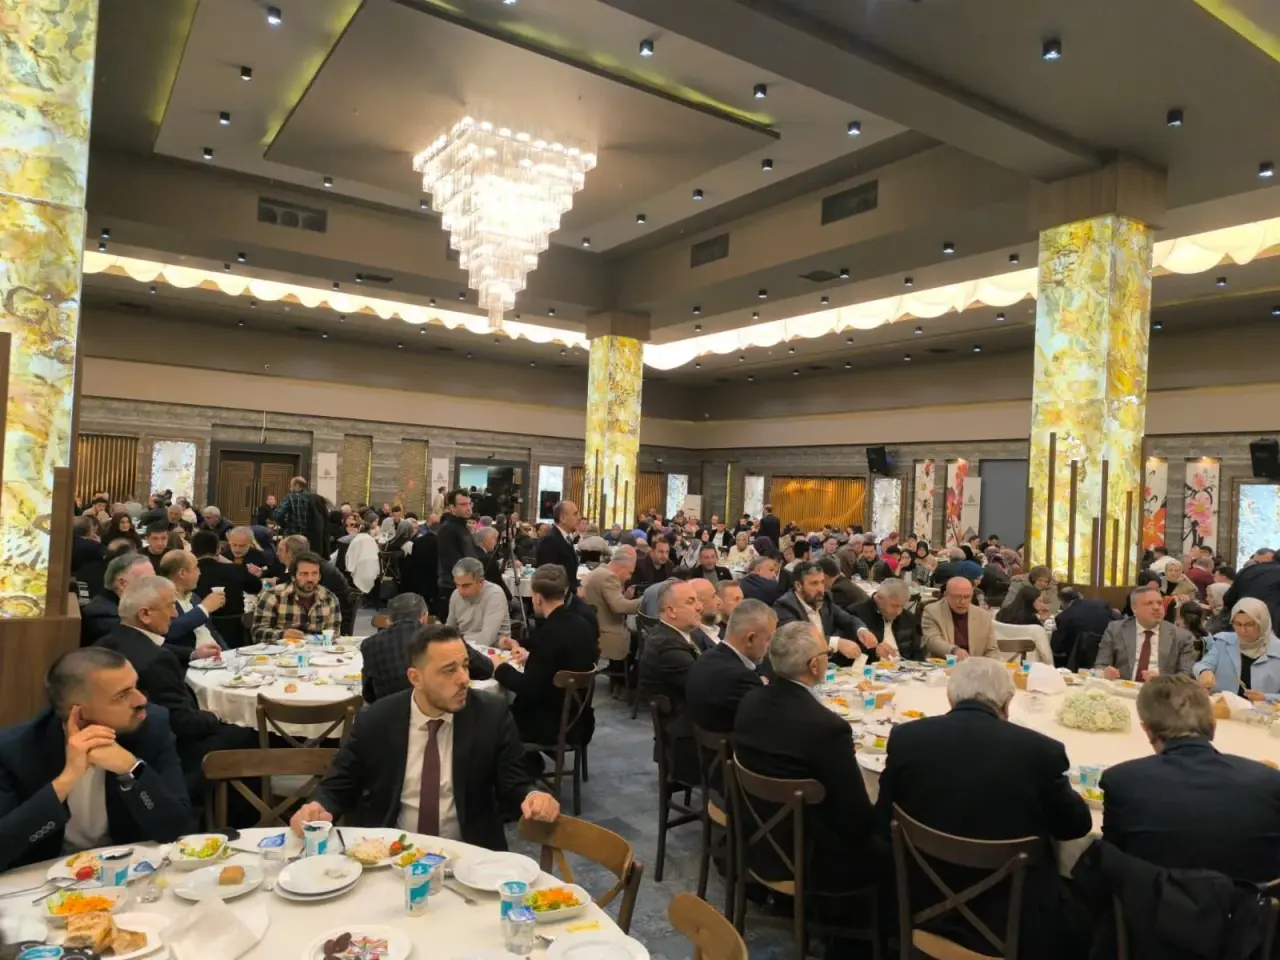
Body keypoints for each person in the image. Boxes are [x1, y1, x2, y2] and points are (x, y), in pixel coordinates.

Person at [876, 658, 1091, 959]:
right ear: (1007, 703)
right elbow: (1076, 826)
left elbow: (882, 820)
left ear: (950, 697)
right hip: (1014, 917)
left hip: (921, 899)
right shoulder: (1040, 752)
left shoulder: (907, 738)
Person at [289, 624, 561, 851]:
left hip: (467, 855)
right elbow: (339, 784)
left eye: (465, 666)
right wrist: (318, 806)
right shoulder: (377, 719)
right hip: (390, 853)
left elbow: (514, 784)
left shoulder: (490, 714)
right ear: (415, 678)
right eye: (449, 670)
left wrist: (533, 796)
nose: (463, 679)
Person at [734, 621, 888, 900]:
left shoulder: (750, 701)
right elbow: (856, 819)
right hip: (811, 856)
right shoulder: (827, 728)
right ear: (815, 665)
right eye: (826, 655)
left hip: (756, 834)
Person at [0, 647, 192, 871]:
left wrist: (131, 768)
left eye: (136, 686)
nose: (141, 699)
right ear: (80, 714)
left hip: (130, 868)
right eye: (122, 696)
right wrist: (67, 779)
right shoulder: (15, 750)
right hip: (45, 876)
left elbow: (176, 829)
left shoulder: (151, 727)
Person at [1100, 675, 1280, 883]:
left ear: (1147, 730)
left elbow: (1111, 864)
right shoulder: (1270, 783)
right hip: (1246, 902)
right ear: (1213, 726)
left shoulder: (1122, 782)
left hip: (1149, 901)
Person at [94, 577, 258, 794]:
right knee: (247, 732)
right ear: (144, 614)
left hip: (122, 744)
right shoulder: (157, 659)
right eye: (171, 606)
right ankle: (244, 808)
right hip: (164, 752)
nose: (174, 614)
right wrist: (215, 715)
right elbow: (183, 723)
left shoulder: (104, 644)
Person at [495, 566, 597, 746]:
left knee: (490, 716)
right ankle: (528, 759)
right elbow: (563, 660)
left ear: (537, 597)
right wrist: (528, 654)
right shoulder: (583, 623)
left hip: (550, 725)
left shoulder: (549, 634)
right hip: (580, 719)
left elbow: (528, 687)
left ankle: (520, 761)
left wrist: (499, 667)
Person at [362, 593, 492, 703]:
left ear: (389, 621)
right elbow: (485, 670)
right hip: (441, 710)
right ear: (425, 617)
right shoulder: (443, 636)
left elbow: (369, 695)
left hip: (389, 718)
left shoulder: (369, 645)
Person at [639, 580, 705, 785]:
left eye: (698, 600)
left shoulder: (678, 635)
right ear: (671, 611)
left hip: (689, 722)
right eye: (691, 601)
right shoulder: (667, 645)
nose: (699, 606)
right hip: (686, 739)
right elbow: (704, 685)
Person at [686, 600, 776, 735]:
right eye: (768, 639)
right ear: (750, 639)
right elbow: (770, 721)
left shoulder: (705, 658)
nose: (769, 646)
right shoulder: (741, 678)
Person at [773, 561, 881, 663]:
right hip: (801, 666)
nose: (820, 589)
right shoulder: (784, 606)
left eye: (822, 582)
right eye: (814, 583)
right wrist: (837, 643)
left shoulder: (825, 599)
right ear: (798, 586)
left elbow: (848, 619)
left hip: (829, 664)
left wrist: (861, 630)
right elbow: (799, 639)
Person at [1096, 586, 1197, 680]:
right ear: (1134, 608)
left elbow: (1186, 675)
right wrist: (1105, 672)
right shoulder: (1115, 629)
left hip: (1161, 690)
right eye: (1149, 603)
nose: (1156, 607)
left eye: (1160, 603)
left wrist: (1161, 680)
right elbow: (1101, 665)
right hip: (1123, 687)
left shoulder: (1182, 636)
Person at [1194, 597, 1280, 701]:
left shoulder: (1277, 650)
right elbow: (1203, 664)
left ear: (1262, 624)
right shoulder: (1224, 642)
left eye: (1249, 624)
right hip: (1224, 707)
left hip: (1264, 710)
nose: (1242, 630)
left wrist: (1266, 697)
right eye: (1238, 624)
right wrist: (1204, 671)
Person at [188, 530, 260, 649]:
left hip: (199, 632)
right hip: (235, 632)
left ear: (192, 551)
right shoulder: (235, 569)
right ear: (218, 550)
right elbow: (256, 587)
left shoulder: (188, 574)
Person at [251, 550, 342, 642]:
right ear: (293, 577)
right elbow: (257, 633)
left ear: (319, 577)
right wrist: (282, 634)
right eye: (304, 574)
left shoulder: (329, 599)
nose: (310, 579)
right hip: (282, 649)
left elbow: (334, 635)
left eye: (314, 573)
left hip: (317, 649)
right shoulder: (273, 596)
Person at [276, 534, 356, 635]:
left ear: (289, 553)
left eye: (280, 550)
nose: (277, 553)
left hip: (331, 623)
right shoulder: (310, 566)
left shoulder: (318, 571)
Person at [156, 550, 225, 662]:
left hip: (218, 658)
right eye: (196, 568)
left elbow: (211, 631)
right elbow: (168, 631)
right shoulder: (161, 600)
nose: (199, 572)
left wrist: (228, 652)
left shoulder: (194, 597)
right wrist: (204, 609)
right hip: (193, 663)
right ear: (182, 573)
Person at [582, 544, 641, 668]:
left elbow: (608, 602)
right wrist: (644, 601)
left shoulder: (599, 571)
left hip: (592, 631)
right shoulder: (609, 577)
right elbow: (619, 607)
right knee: (640, 639)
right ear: (620, 567)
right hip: (606, 637)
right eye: (629, 572)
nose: (629, 577)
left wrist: (625, 597)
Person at [923, 577, 999, 660]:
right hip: (945, 663)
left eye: (967, 597)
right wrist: (954, 650)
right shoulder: (932, 611)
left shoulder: (983, 616)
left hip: (975, 664)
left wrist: (992, 663)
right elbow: (932, 641)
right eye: (957, 597)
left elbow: (992, 649)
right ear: (946, 595)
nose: (962, 601)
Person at [849, 578, 922, 661]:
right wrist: (874, 651)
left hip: (904, 667)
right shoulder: (856, 615)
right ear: (879, 599)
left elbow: (917, 652)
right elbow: (847, 654)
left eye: (902, 606)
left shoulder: (909, 618)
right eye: (894, 606)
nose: (899, 612)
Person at [446, 557, 510, 650]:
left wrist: (454, 640)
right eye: (457, 585)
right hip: (462, 648)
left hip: (494, 651)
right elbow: (449, 630)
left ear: (480, 582)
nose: (460, 591)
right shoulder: (456, 595)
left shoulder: (495, 595)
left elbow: (486, 639)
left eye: (466, 586)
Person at [436, 489, 480, 619]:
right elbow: (451, 562)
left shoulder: (462, 526)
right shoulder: (447, 529)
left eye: (469, 503)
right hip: (453, 587)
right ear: (452, 508)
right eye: (463, 504)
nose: (468, 508)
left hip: (466, 584)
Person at [1050, 587, 1116, 669]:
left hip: (1080, 660)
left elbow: (1057, 648)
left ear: (1063, 602)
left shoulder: (1064, 616)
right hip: (1109, 653)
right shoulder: (1102, 604)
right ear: (1080, 595)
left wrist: (1054, 632)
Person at [534, 500, 581, 590]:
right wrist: (575, 591)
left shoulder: (566, 538)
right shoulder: (550, 541)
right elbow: (549, 579)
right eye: (575, 514)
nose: (579, 518)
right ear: (562, 518)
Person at [689, 577, 722, 652]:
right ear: (698, 603)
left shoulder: (721, 630)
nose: (719, 601)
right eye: (713, 596)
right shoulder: (693, 641)